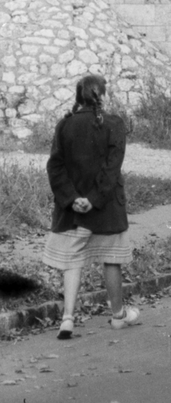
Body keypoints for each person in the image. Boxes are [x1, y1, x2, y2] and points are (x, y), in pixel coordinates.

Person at [43, 75, 138, 340]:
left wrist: (73, 198)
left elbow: (55, 166)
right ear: (103, 97)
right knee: (112, 258)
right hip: (106, 207)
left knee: (72, 260)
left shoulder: (65, 125)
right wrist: (94, 199)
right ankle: (118, 315)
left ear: (78, 98)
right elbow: (112, 167)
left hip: (72, 209)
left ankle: (68, 318)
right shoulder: (114, 124)